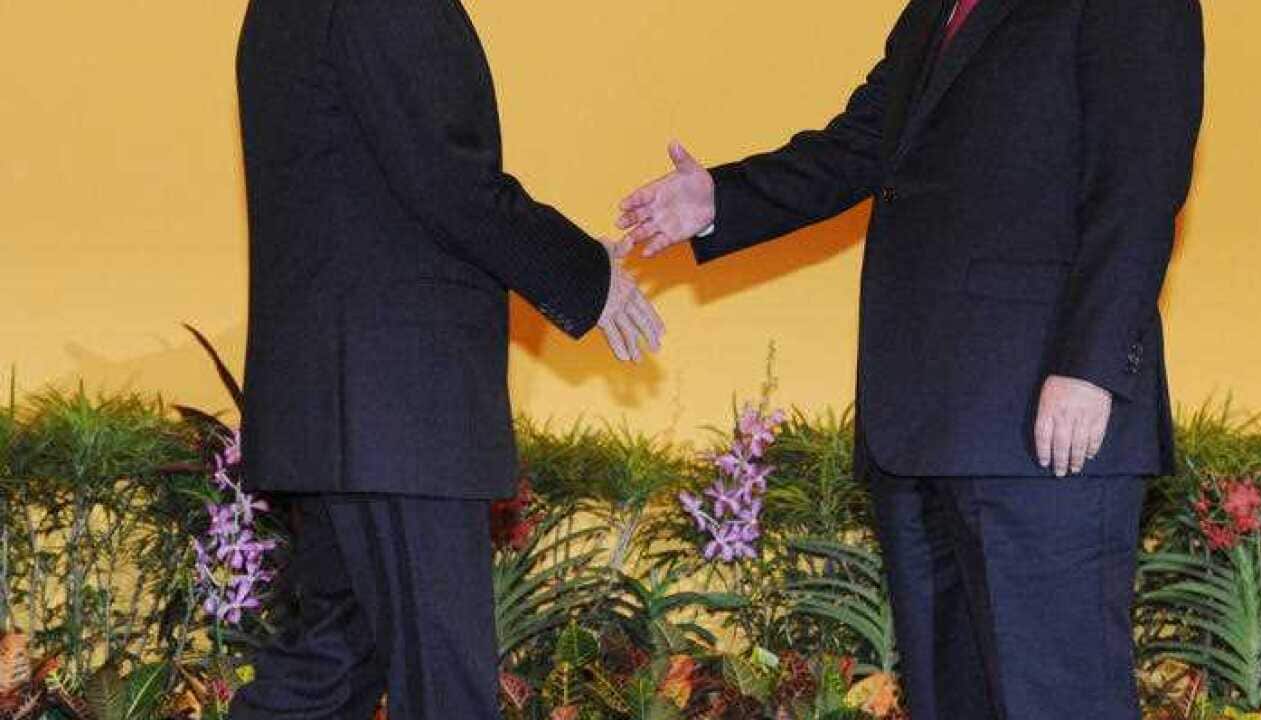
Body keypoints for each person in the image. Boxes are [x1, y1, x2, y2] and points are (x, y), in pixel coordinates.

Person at [616, 0, 1203, 718]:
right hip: (921, 425)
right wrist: (720, 200)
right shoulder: (936, 8)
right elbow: (864, 143)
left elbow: (1139, 187)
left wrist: (1090, 366)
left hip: (1047, 427)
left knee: (1056, 700)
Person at [230, 0, 664, 716]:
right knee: (444, 693)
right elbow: (450, 178)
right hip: (395, 411)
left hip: (348, 412)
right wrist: (587, 277)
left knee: (323, 675)